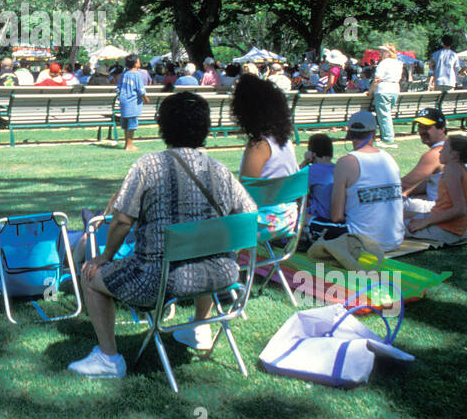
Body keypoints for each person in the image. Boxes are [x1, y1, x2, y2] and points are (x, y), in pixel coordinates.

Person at [71, 92, 259, 376]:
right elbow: (248, 215)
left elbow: (121, 221)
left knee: (91, 273)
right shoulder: (220, 170)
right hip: (221, 275)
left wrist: (104, 257)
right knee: (202, 250)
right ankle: (200, 327)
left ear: (164, 127)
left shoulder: (148, 166)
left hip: (157, 281)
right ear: (205, 128)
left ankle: (109, 358)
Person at [232, 74, 300, 235]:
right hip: (289, 217)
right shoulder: (285, 141)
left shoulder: (259, 146)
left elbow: (246, 192)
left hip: (264, 223)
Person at [328, 109, 404, 252]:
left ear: (349, 133)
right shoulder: (389, 158)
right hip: (394, 240)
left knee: (307, 221)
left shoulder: (346, 162)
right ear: (374, 134)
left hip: (361, 242)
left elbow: (336, 216)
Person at [401, 107, 449, 217]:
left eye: (427, 127)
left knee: (388, 205)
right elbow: (428, 183)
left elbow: (404, 184)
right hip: (463, 211)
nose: (422, 131)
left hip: (444, 213)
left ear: (442, 129)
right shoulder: (452, 147)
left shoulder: (436, 154)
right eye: (420, 127)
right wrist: (407, 192)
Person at [370, 44, 402, 149]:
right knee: (387, 115)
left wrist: (370, 91)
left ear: (389, 52)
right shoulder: (398, 63)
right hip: (395, 89)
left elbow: (377, 79)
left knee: (384, 116)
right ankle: (386, 136)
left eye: (383, 51)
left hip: (384, 90)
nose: (381, 53)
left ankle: (388, 138)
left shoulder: (383, 63)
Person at [116, 54, 149, 151]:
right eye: (138, 61)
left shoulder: (124, 74)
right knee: (132, 125)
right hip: (133, 102)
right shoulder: (137, 74)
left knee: (126, 124)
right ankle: (129, 145)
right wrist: (145, 98)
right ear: (135, 63)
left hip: (124, 101)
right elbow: (140, 89)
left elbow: (118, 88)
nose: (140, 62)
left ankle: (127, 144)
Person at [302, 133, 335, 222]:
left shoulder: (311, 170)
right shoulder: (338, 167)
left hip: (321, 217)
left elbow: (293, 183)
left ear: (312, 153)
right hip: (339, 214)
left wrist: (305, 161)